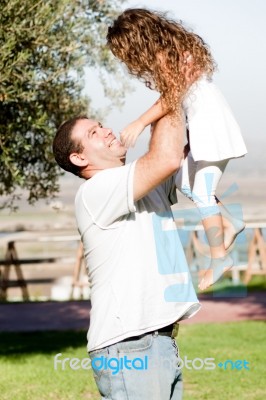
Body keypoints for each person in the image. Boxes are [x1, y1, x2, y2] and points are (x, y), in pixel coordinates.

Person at [53, 112, 201, 399]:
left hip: (156, 341)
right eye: (93, 133)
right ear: (79, 159)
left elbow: (182, 154)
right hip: (129, 345)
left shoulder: (139, 183)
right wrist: (167, 87)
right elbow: (167, 157)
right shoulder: (96, 190)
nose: (107, 131)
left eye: (101, 126)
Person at [106, 8, 247, 291]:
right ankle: (230, 221)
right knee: (185, 181)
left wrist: (139, 122)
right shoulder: (170, 51)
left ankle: (219, 257)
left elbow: (171, 99)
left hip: (212, 124)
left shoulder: (166, 53)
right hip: (201, 125)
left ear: (138, 39)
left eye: (126, 51)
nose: (126, 59)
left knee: (203, 191)